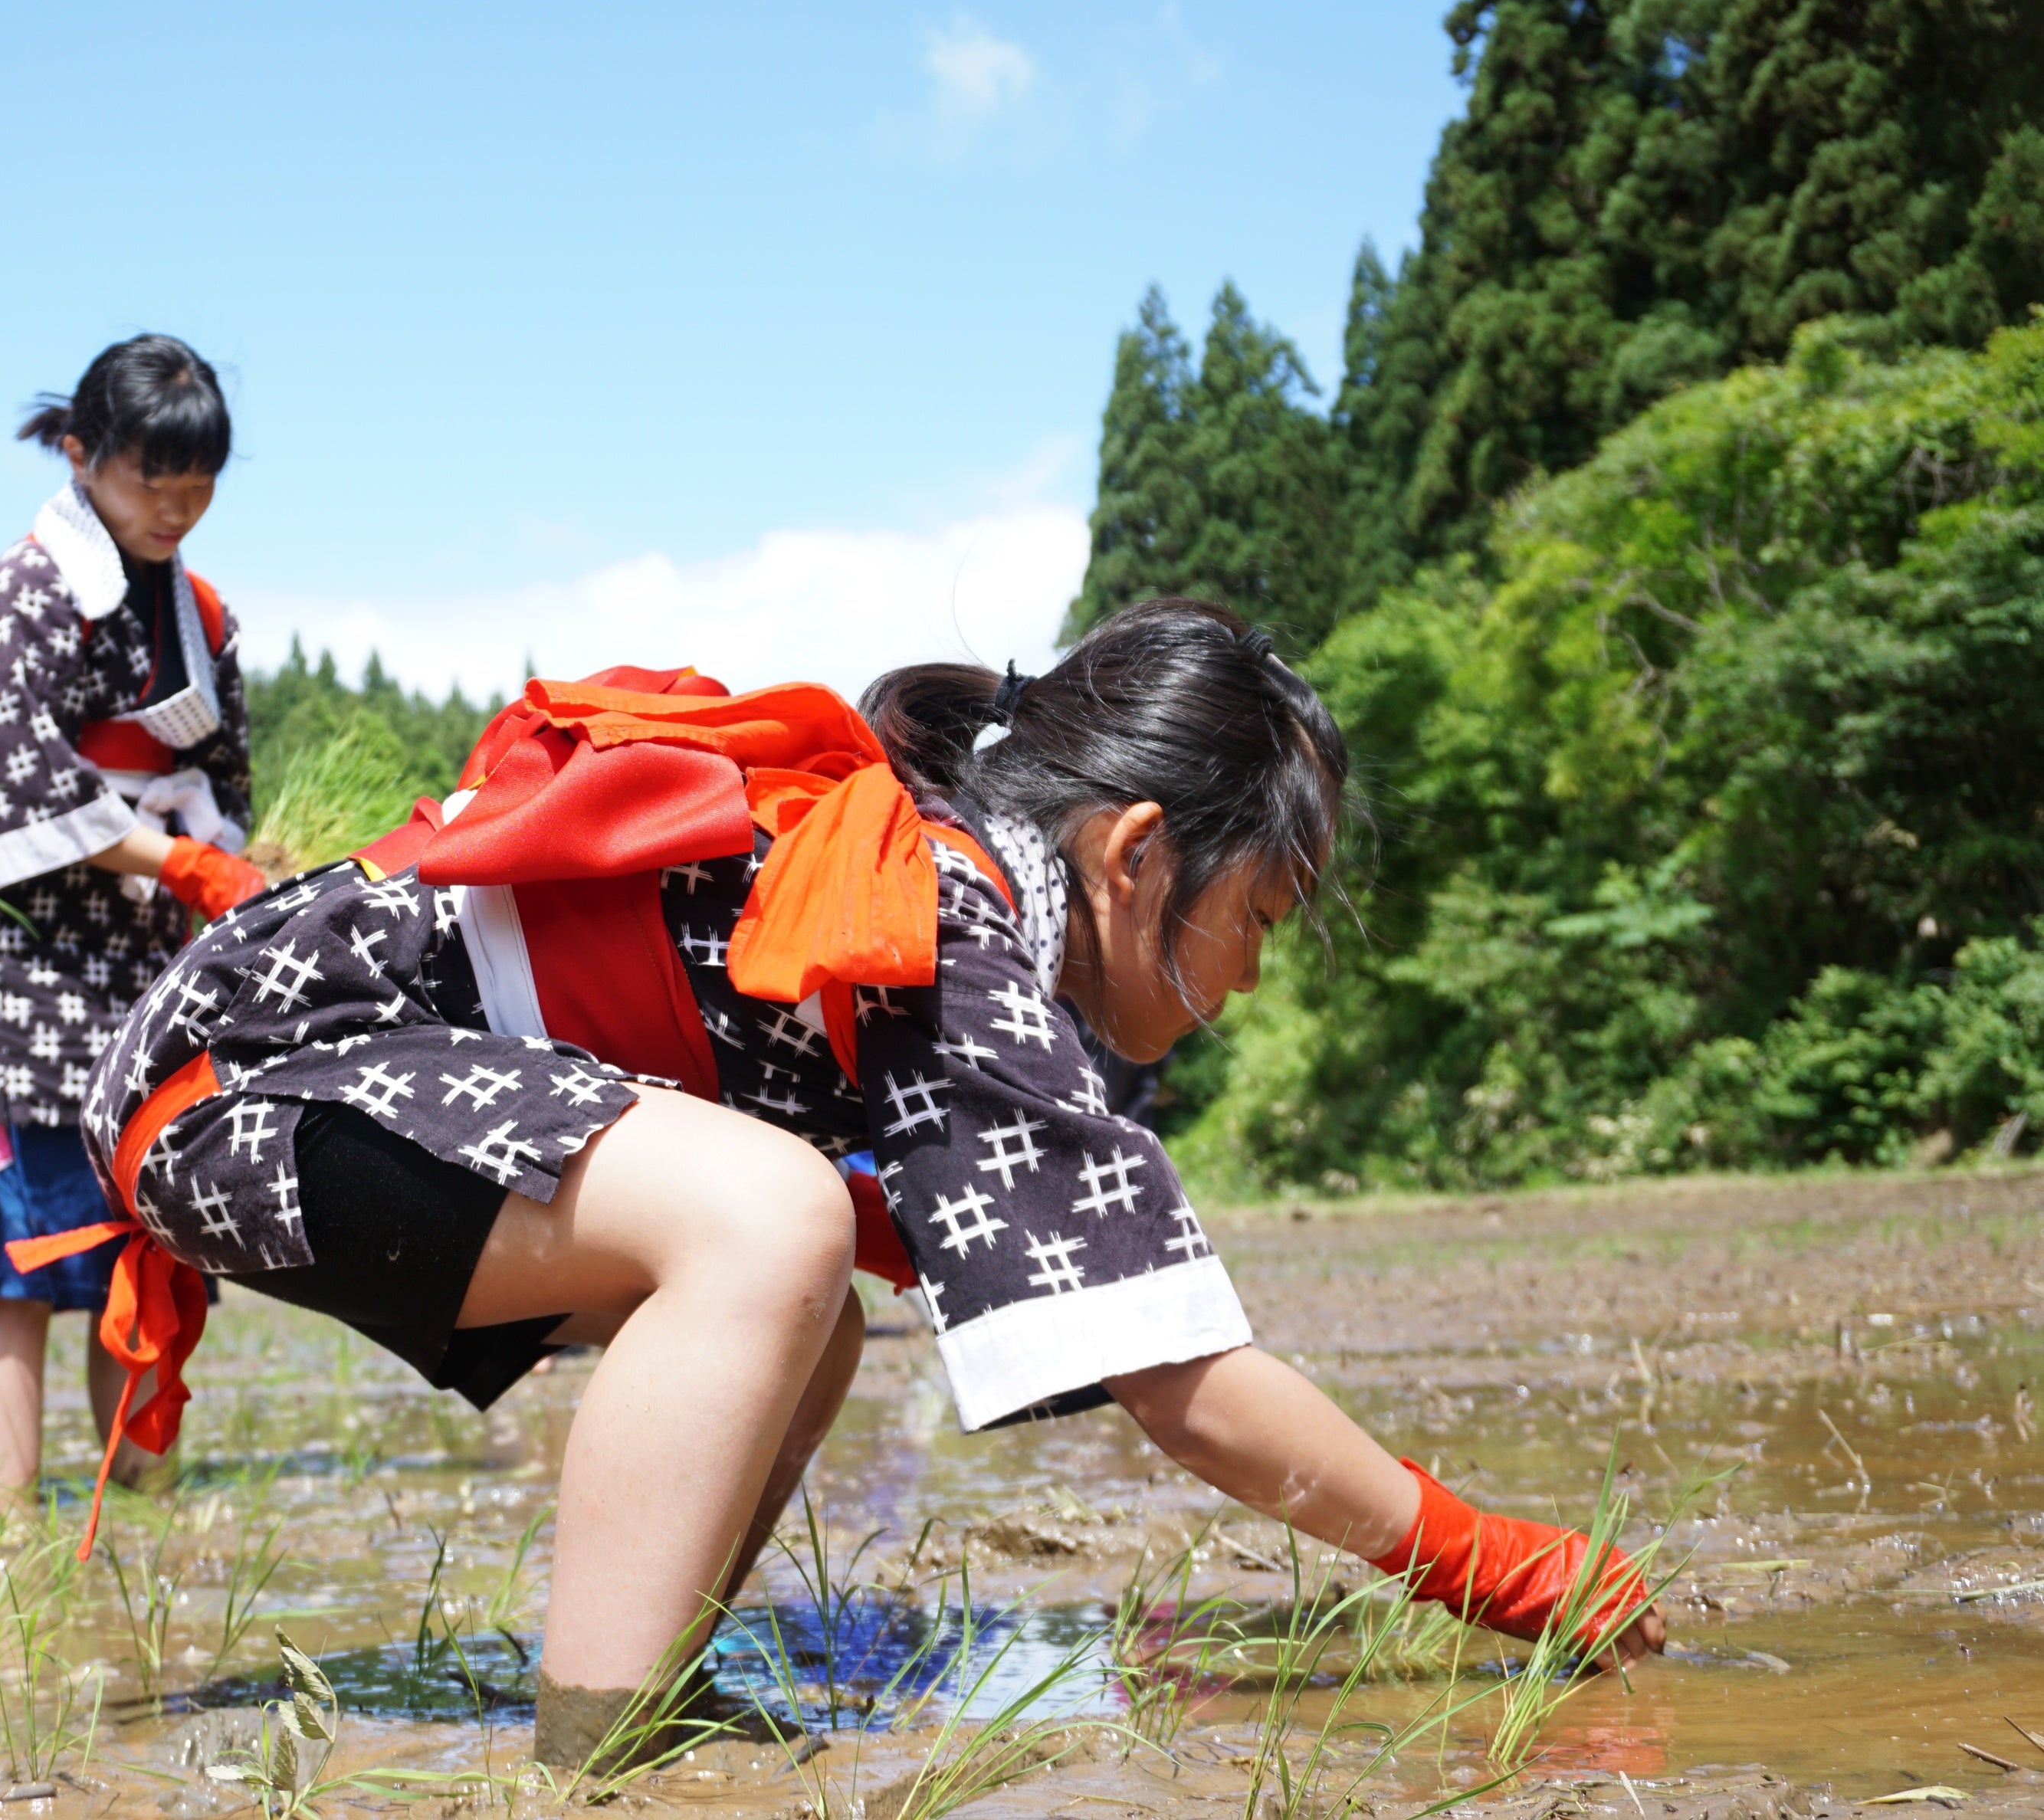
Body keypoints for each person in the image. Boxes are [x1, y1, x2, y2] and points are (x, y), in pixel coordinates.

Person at [82, 600, 1665, 1770]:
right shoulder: (959, 922)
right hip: (244, 1087)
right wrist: (1482, 1560)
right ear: (1134, 856)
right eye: (1260, 914)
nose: (1249, 977)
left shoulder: (956, 894)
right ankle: (595, 1751)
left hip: (287, 1087)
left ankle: (648, 1688)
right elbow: (1179, 1378)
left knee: (808, 1295)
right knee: (776, 1222)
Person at [0, 334, 267, 1507]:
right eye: (148, 482)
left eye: (198, 485)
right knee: (8, 1263)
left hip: (145, 976)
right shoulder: (10, 598)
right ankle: (6, 1542)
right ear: (78, 457)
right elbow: (18, 784)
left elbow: (231, 781)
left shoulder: (202, 616)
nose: (176, 509)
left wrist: (219, 863)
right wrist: (177, 859)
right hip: (18, 970)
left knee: (147, 1248)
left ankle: (139, 1518)